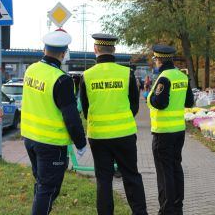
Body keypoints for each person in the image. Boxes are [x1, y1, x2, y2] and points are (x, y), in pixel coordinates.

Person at [79, 33, 147, 215]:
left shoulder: (87, 76)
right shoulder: (127, 74)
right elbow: (134, 105)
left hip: (99, 137)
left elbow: (85, 110)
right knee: (131, 176)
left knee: (104, 181)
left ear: (95, 50)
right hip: (125, 135)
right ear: (114, 50)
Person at [21, 29, 87, 215]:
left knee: (42, 185)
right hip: (51, 145)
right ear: (63, 53)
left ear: (44, 49)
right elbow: (71, 116)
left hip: (30, 139)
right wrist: (81, 143)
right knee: (48, 189)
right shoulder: (61, 79)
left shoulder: (31, 70)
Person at [147, 44, 194, 215]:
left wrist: (150, 97)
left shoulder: (164, 78)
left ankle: (167, 210)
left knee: (164, 172)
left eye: (155, 59)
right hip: (179, 131)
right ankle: (177, 207)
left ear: (159, 59)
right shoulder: (182, 76)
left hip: (163, 133)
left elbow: (160, 103)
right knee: (176, 168)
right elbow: (189, 102)